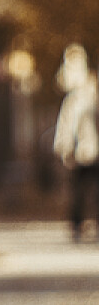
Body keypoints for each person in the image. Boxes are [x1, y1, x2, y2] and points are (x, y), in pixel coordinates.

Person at [54, 45, 99, 241]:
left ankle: (83, 226)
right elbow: (67, 125)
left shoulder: (90, 94)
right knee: (79, 191)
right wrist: (65, 146)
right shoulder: (73, 99)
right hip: (81, 151)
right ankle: (77, 227)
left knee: (90, 190)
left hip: (90, 149)